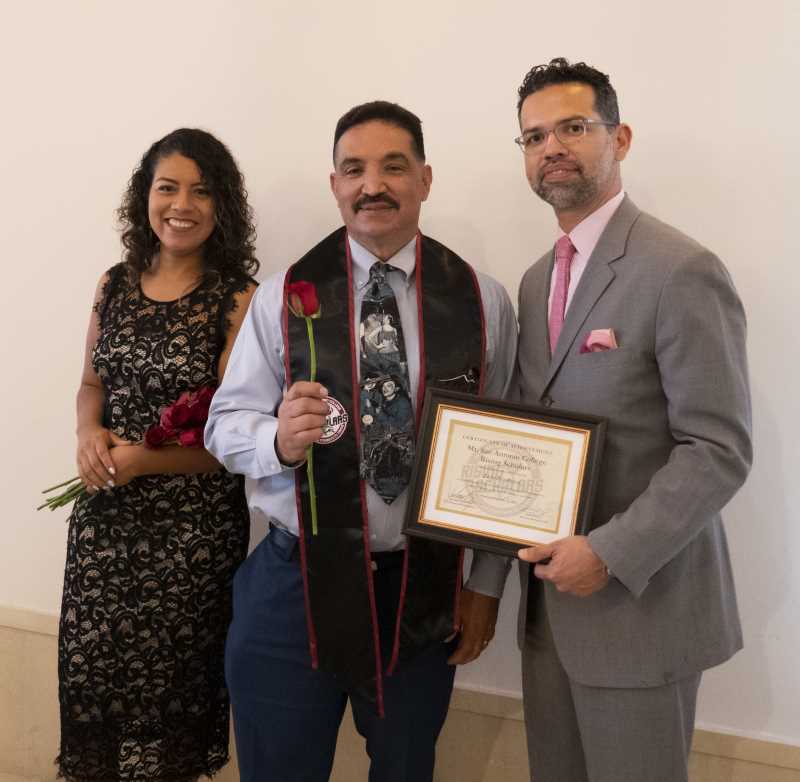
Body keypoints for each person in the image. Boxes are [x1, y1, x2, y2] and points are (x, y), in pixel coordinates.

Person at [205, 100, 517, 782]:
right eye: (354, 169)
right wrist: (279, 441)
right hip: (294, 585)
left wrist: (486, 585)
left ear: (426, 179)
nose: (372, 184)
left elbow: (504, 455)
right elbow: (224, 428)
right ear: (335, 184)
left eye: (393, 166)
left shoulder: (482, 299)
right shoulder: (283, 296)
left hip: (420, 590)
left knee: (405, 770)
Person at [511, 59, 752, 782]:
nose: (551, 146)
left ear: (620, 137)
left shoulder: (681, 269)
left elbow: (718, 447)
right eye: (532, 136)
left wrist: (609, 552)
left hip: (640, 613)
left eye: (573, 127)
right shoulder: (532, 282)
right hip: (548, 619)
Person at [56, 128, 258, 781]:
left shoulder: (238, 300)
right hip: (104, 529)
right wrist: (90, 435)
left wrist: (144, 458)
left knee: (173, 706)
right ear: (145, 196)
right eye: (167, 187)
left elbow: (235, 443)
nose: (182, 204)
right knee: (95, 691)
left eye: (202, 191)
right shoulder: (112, 285)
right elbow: (91, 386)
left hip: (191, 542)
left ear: (223, 206)